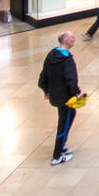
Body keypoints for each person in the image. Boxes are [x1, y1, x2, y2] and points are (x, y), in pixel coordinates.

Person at [38, 31, 86, 165]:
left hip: (55, 95)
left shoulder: (52, 55)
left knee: (70, 116)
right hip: (66, 98)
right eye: (72, 38)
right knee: (63, 124)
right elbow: (71, 80)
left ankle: (62, 144)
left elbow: (43, 76)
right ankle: (57, 156)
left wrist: (46, 90)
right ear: (67, 41)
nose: (74, 39)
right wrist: (78, 93)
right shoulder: (67, 60)